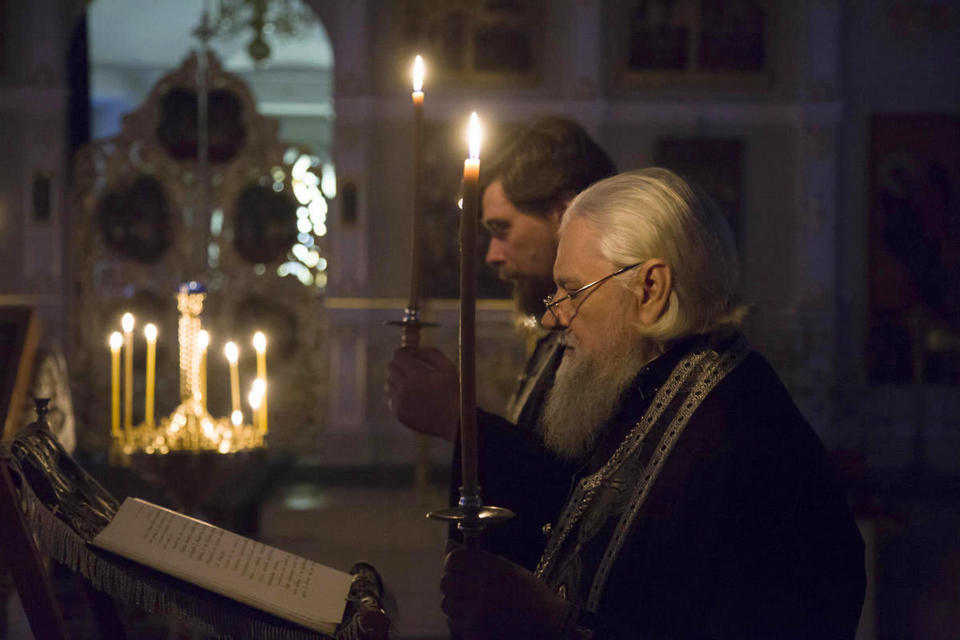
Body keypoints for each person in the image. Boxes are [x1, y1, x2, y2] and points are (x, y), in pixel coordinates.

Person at [439, 168, 866, 639]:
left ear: (650, 290)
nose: (550, 316)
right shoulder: (647, 389)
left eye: (571, 290)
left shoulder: (740, 440)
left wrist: (551, 620)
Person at [386, 116, 617, 570]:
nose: (491, 255)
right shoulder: (561, 328)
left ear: (565, 214)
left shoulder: (614, 336)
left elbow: (582, 500)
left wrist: (459, 420)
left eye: (501, 229)